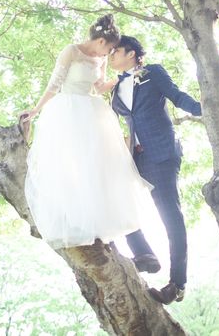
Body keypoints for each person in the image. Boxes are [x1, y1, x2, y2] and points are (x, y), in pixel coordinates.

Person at [21, 16, 154, 249]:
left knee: (97, 166)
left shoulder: (100, 59)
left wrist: (122, 78)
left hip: (92, 111)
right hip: (67, 110)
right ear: (101, 41)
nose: (110, 54)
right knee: (69, 165)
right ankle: (72, 219)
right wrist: (36, 110)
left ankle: (99, 223)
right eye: (110, 49)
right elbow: (54, 84)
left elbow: (99, 88)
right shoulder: (71, 52)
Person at [109, 36, 202, 305]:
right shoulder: (116, 88)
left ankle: (177, 284)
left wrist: (206, 108)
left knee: (170, 217)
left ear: (132, 53)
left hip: (161, 153)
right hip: (134, 158)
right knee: (115, 200)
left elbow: (177, 96)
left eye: (116, 51)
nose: (111, 55)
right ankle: (144, 254)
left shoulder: (153, 73)